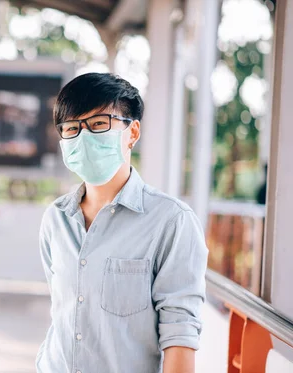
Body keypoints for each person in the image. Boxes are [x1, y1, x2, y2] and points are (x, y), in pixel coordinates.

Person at [37, 73, 208, 373]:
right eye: (72, 128)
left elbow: (180, 337)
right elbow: (65, 316)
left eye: (99, 124)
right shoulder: (56, 219)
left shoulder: (171, 223)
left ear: (132, 132)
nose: (84, 136)